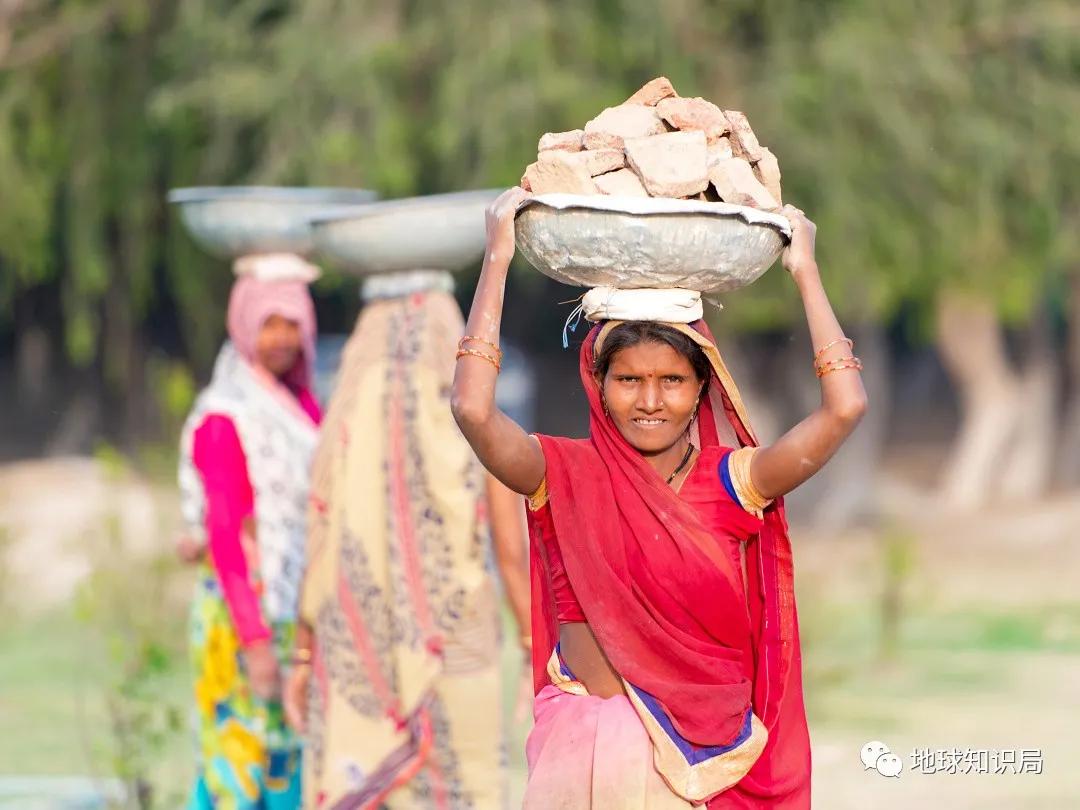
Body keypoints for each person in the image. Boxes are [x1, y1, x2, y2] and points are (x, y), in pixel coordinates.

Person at [451, 187, 868, 808]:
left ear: (703, 387)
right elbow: (472, 410)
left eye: (672, 380)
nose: (650, 401)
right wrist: (498, 259)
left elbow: (846, 408)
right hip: (585, 762)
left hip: (707, 769)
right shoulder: (560, 474)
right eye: (628, 380)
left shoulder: (735, 482)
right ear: (598, 382)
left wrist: (805, 270)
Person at [282, 273, 532, 810]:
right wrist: (535, 645)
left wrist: (302, 656)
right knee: (468, 789)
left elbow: (319, 542)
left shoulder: (347, 418)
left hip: (359, 636)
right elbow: (511, 549)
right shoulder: (473, 416)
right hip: (459, 638)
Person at [178, 254, 323, 809]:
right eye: (269, 324)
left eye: (292, 324)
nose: (282, 338)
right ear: (242, 325)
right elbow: (224, 534)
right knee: (235, 773)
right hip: (240, 621)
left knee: (285, 767)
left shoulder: (301, 409)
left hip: (291, 616)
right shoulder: (225, 415)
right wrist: (256, 645)